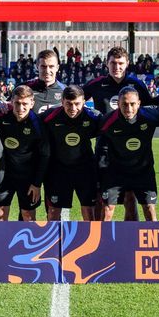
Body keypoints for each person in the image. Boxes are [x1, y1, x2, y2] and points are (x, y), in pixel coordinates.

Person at [83, 46, 153, 220]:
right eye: (113, 63)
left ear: (127, 63)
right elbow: (74, 100)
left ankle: (130, 237)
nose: (117, 67)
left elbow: (149, 109)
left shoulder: (137, 85)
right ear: (107, 64)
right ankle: (99, 239)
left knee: (130, 196)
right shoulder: (96, 84)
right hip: (105, 148)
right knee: (102, 196)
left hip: (130, 149)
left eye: (121, 63)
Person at [95, 85, 159, 221]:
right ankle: (102, 241)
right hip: (116, 171)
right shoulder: (107, 121)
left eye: (132, 104)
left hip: (143, 171)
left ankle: (153, 242)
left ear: (139, 103)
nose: (129, 109)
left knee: (149, 208)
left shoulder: (150, 117)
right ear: (118, 103)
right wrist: (101, 169)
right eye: (124, 104)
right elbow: (100, 145)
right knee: (107, 209)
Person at [0, 85, 49, 221]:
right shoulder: (2, 116)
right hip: (5, 174)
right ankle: (1, 242)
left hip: (28, 177)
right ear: (11, 101)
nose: (20, 108)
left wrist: (37, 184)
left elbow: (44, 155)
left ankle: (28, 242)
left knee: (28, 216)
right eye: (17, 103)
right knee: (1, 215)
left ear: (32, 103)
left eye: (25, 104)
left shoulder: (37, 124)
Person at [41, 85, 102, 220]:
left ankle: (91, 240)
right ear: (62, 101)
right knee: (53, 212)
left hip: (85, 169)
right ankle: (54, 240)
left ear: (84, 102)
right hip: (59, 170)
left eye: (77, 104)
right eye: (68, 104)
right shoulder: (49, 117)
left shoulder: (94, 117)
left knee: (89, 210)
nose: (73, 108)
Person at [25, 49, 66, 113]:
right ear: (37, 67)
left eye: (51, 66)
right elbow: (9, 105)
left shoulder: (65, 91)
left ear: (57, 68)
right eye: (43, 66)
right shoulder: (25, 88)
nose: (47, 71)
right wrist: (3, 106)